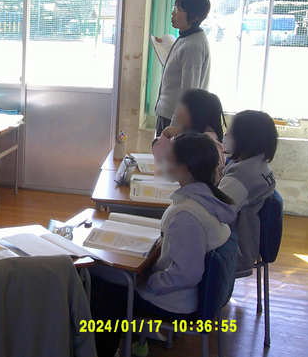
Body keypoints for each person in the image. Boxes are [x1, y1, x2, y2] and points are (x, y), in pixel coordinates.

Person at [90, 134, 236, 357]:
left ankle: (100, 350)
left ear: (184, 169)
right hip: (185, 294)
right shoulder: (209, 197)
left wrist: (147, 282)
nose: (162, 162)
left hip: (175, 301)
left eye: (169, 158)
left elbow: (186, 274)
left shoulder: (186, 215)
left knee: (101, 286)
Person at [218, 110, 278, 278]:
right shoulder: (259, 164)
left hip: (233, 248)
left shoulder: (242, 174)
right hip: (245, 240)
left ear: (245, 138)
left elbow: (217, 210)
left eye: (231, 132)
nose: (226, 135)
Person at [154, 0, 212, 138]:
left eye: (179, 9)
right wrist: (165, 48)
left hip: (174, 120)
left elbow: (189, 91)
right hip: (168, 113)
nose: (173, 13)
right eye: (174, 8)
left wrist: (175, 127)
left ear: (194, 17)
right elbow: (180, 67)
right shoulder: (186, 37)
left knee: (164, 153)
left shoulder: (193, 45)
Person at [153, 88, 227, 183]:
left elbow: (211, 182)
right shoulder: (186, 133)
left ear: (197, 112)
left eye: (183, 105)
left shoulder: (208, 143)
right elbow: (160, 159)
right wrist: (166, 134)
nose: (178, 109)